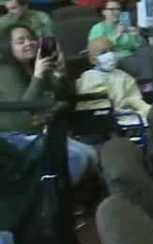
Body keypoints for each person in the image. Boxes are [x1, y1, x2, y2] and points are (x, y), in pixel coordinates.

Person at [0, 23, 98, 185]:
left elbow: (64, 96)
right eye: (20, 41)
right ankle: (49, 201)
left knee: (91, 154)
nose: (28, 43)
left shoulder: (36, 65)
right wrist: (38, 76)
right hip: (14, 136)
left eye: (31, 39)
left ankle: (69, 200)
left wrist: (60, 73)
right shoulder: (5, 72)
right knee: (76, 159)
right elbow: (25, 106)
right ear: (8, 47)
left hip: (41, 130)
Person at [76, 37, 151, 119]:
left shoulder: (123, 75)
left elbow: (134, 98)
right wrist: (118, 111)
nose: (110, 55)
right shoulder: (89, 77)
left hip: (126, 115)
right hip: (100, 119)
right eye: (103, 52)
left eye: (112, 50)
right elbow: (96, 105)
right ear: (93, 60)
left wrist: (146, 109)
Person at [89, 0, 153, 87]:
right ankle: (144, 84)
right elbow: (97, 48)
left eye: (118, 9)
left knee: (147, 52)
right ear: (104, 12)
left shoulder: (124, 26)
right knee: (133, 62)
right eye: (112, 9)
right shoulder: (98, 28)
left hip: (131, 55)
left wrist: (136, 36)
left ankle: (147, 85)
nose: (116, 12)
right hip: (113, 58)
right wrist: (117, 35)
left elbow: (136, 46)